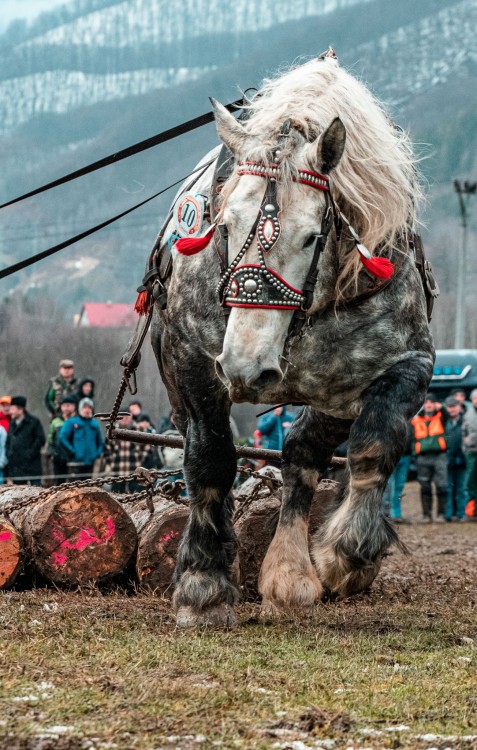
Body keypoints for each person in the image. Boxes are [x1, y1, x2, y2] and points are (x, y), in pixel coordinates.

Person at [411, 392, 448, 523]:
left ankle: (441, 515)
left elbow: (447, 414)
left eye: (431, 402)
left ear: (435, 404)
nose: (428, 405)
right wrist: (415, 453)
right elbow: (412, 438)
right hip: (422, 458)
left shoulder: (441, 417)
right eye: (426, 403)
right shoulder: (416, 420)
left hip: (439, 457)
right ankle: (426, 515)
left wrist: (442, 407)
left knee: (441, 486)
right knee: (425, 487)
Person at [103, 412, 153, 492]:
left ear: (131, 417)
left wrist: (141, 460)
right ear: (118, 419)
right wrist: (111, 462)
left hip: (135, 469)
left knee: (135, 495)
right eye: (122, 417)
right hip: (117, 469)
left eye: (127, 417)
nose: (125, 419)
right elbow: (106, 449)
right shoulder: (112, 431)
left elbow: (147, 447)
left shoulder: (139, 429)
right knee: (117, 495)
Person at [58, 397, 104, 479]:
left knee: (88, 488)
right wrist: (72, 451)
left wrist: (97, 453)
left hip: (90, 462)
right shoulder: (71, 422)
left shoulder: (94, 424)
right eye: (85, 407)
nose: (87, 410)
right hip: (75, 463)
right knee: (75, 489)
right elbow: (62, 438)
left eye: (89, 407)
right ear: (80, 408)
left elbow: (100, 442)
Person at [6, 396, 45, 486]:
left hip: (31, 465)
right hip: (16, 467)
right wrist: (9, 453)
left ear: (20, 409)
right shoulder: (12, 423)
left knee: (36, 493)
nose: (10, 411)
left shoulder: (34, 422)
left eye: (12, 408)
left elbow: (40, 440)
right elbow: (8, 441)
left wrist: (29, 453)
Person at [383, 421, 413, 524]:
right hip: (391, 456)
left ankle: (396, 514)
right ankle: (385, 514)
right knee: (388, 486)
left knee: (399, 487)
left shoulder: (410, 421)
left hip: (406, 457)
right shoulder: (390, 417)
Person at [444, 396, 467, 521]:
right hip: (447, 460)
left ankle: (461, 514)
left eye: (454, 406)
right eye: (449, 407)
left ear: (459, 407)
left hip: (462, 460)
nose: (451, 409)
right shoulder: (444, 421)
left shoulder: (465, 421)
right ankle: (449, 515)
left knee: (461, 488)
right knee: (448, 488)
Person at [47, 395, 78, 485]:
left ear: (74, 406)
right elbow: (50, 439)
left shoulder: (78, 421)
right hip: (59, 457)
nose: (66, 408)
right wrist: (52, 453)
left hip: (74, 456)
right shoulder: (55, 421)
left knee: (75, 483)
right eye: (64, 405)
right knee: (59, 483)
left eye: (69, 405)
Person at [462, 388, 477, 520]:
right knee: (471, 482)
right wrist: (465, 445)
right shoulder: (467, 415)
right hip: (471, 452)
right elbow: (463, 433)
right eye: (475, 398)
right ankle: (471, 512)